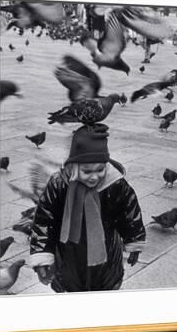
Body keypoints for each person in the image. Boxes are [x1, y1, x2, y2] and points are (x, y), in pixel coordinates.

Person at [28, 124, 146, 292]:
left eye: (100, 170)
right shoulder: (59, 184)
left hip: (106, 253)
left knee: (105, 288)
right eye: (87, 171)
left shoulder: (115, 184)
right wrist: (42, 255)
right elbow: (45, 220)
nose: (94, 177)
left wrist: (134, 241)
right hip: (69, 255)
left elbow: (129, 212)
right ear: (74, 165)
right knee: (72, 289)